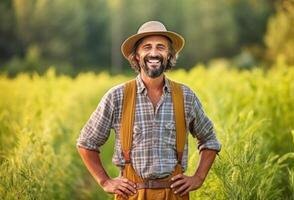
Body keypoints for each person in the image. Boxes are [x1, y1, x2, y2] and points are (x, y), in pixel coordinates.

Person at [76, 21, 221, 200]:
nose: (153, 53)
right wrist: (105, 181)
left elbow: (210, 140)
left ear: (169, 55)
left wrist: (198, 177)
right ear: (137, 56)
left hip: (174, 194)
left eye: (160, 47)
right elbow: (86, 142)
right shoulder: (117, 96)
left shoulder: (185, 96)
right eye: (147, 47)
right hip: (131, 194)